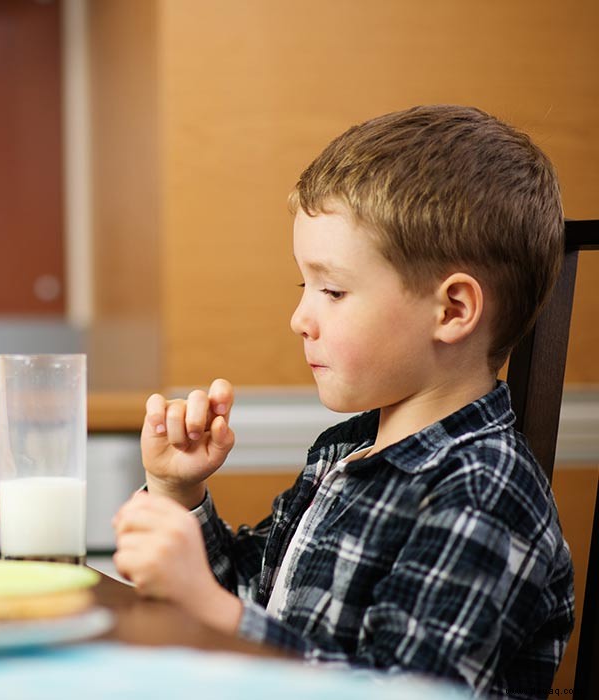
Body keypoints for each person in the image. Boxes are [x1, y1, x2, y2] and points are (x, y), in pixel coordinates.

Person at [112, 105, 575, 698]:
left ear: (453, 310)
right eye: (302, 286)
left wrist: (212, 610)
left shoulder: (485, 491)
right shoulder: (345, 453)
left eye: (332, 289)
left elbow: (407, 689)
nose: (300, 317)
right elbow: (255, 614)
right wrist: (179, 494)